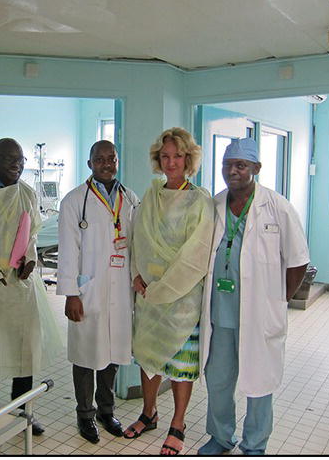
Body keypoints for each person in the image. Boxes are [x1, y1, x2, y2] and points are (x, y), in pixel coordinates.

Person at [197, 138, 309, 455]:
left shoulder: (278, 207)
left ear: (256, 169)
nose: (232, 171)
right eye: (227, 165)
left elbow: (298, 260)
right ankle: (220, 437)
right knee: (218, 379)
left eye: (240, 165)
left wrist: (280, 300)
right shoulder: (214, 205)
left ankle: (255, 443)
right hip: (220, 313)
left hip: (259, 315)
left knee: (260, 380)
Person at [0, 137, 62, 436]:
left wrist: (29, 259)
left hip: (19, 286)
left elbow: (31, 235)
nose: (16, 165)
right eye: (8, 159)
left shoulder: (27, 194)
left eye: (20, 160)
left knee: (24, 349)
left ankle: (23, 413)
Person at [124, 128, 214, 455]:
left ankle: (178, 423)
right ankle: (148, 413)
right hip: (148, 294)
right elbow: (137, 240)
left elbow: (197, 253)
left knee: (181, 363)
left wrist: (166, 288)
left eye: (177, 156)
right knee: (147, 355)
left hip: (182, 297)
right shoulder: (151, 195)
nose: (171, 162)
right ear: (157, 159)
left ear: (188, 160)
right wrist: (136, 275)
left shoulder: (200, 199)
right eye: (165, 156)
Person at [57, 140, 139, 444]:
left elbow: (135, 247)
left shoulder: (130, 199)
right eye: (100, 159)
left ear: (117, 162)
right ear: (90, 163)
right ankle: (85, 415)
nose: (107, 164)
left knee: (113, 354)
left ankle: (107, 411)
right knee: (85, 355)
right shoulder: (74, 201)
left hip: (119, 290)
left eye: (112, 159)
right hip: (87, 290)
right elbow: (68, 251)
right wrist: (71, 294)